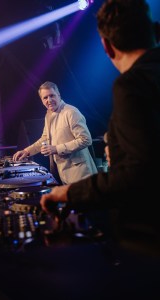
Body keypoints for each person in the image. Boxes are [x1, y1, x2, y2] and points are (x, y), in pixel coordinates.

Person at [40, 0, 160, 256]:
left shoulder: (130, 85)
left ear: (106, 46)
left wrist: (67, 193)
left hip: (146, 241)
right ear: (154, 30)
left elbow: (136, 176)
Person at [13, 81, 98, 184]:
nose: (49, 100)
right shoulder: (48, 115)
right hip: (64, 174)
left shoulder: (71, 112)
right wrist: (26, 151)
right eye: (45, 98)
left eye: (52, 95)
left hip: (81, 174)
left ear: (59, 95)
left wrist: (57, 149)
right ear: (41, 100)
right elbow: (45, 139)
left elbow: (86, 139)